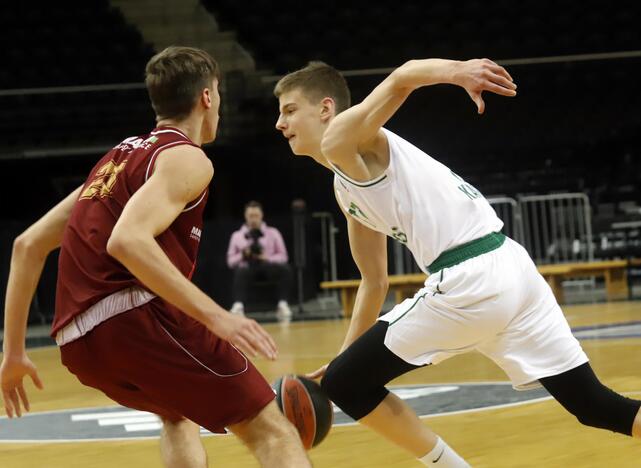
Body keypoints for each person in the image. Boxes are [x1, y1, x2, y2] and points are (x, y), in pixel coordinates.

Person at [274, 58, 641, 466]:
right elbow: (373, 281)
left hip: (472, 278)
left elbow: (403, 75)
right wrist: (343, 356)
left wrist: (458, 71)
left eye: (289, 110)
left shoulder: (342, 138)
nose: (279, 123)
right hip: (512, 269)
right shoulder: (347, 191)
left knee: (348, 384)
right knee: (594, 405)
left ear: (325, 109)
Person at [0, 46, 311, 468]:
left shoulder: (114, 162)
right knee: (271, 430)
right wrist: (217, 317)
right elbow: (127, 240)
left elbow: (27, 245)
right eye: (217, 92)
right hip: (133, 320)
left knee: (176, 414)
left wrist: (13, 352)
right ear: (206, 97)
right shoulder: (187, 157)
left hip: (77, 342)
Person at [226, 201, 293, 319]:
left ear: (261, 215)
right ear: (245, 216)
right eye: (250, 216)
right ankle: (238, 306)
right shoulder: (237, 236)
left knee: (285, 269)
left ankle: (283, 304)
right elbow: (230, 261)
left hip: (268, 266)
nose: (253, 219)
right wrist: (243, 255)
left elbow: (284, 256)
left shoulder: (273, 232)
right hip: (247, 268)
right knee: (241, 271)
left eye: (256, 216)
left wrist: (267, 258)